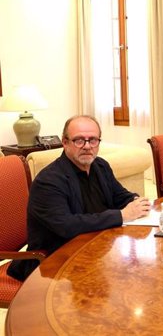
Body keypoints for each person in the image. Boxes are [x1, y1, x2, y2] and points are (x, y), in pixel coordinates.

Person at [7, 115, 151, 282]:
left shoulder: (100, 166)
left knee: (138, 274)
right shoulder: (48, 181)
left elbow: (120, 196)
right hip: (53, 264)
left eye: (93, 140)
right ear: (65, 142)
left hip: (95, 250)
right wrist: (121, 215)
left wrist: (136, 201)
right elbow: (67, 226)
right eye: (79, 140)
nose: (87, 146)